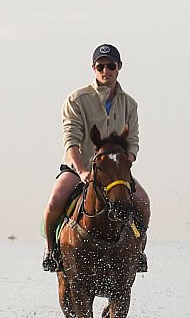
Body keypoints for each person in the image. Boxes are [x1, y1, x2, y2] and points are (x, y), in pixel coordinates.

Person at [42, 44, 150, 272]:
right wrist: (82, 171)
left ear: (119, 68)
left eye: (111, 66)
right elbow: (71, 140)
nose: (105, 70)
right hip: (79, 168)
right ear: (93, 68)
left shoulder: (130, 104)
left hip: (114, 172)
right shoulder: (77, 99)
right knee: (54, 201)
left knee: (143, 202)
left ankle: (139, 252)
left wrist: (125, 161)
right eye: (100, 66)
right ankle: (51, 251)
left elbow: (134, 143)